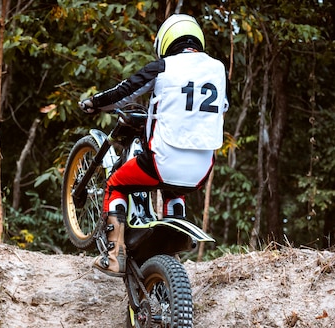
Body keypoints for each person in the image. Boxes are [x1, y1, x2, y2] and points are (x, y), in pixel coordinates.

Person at [79, 14, 229, 276]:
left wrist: (95, 103)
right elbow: (222, 107)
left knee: (115, 183)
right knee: (174, 190)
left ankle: (115, 256)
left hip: (162, 164)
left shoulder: (163, 67)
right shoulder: (218, 70)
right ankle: (171, 251)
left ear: (166, 42)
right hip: (201, 171)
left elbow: (124, 93)